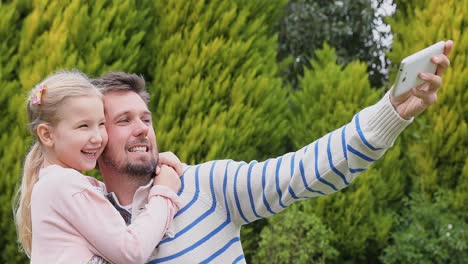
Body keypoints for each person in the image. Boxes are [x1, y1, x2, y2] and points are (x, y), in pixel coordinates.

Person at [92, 40, 453, 263]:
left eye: (146, 117)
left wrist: (392, 112)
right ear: (96, 137)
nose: (142, 128)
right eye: (124, 120)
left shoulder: (205, 185)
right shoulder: (86, 221)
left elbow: (301, 172)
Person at [13, 70, 183, 264]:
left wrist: (147, 158)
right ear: (47, 135)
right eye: (83, 126)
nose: (97, 137)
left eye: (101, 124)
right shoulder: (65, 185)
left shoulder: (56, 184)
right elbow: (132, 251)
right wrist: (164, 192)